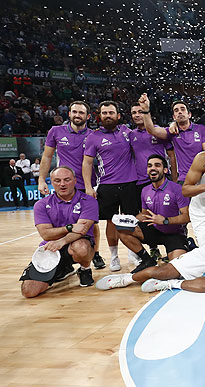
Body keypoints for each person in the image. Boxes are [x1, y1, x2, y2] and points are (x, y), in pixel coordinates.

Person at [39, 101, 105, 269]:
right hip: (64, 184)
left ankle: (95, 253)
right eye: (74, 112)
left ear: (88, 116)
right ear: (69, 114)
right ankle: (65, 255)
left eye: (81, 113)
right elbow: (47, 157)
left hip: (87, 185)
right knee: (64, 220)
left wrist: (92, 187)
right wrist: (41, 179)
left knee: (92, 223)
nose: (77, 115)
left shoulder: (93, 134)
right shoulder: (55, 131)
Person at [20, 167, 98, 297]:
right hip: (51, 249)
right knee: (29, 291)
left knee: (81, 247)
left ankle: (85, 269)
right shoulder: (41, 204)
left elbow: (81, 230)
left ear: (75, 181)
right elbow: (46, 234)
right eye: (57, 180)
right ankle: (63, 269)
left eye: (67, 180)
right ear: (51, 182)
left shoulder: (89, 201)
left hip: (75, 244)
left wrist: (62, 241)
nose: (62, 184)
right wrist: (69, 227)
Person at [82, 101, 139, 272]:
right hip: (107, 185)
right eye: (105, 113)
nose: (108, 116)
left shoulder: (127, 132)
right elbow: (87, 163)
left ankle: (133, 253)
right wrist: (88, 187)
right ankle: (114, 257)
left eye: (111, 113)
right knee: (111, 222)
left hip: (130, 183)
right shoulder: (93, 137)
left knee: (131, 220)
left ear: (118, 116)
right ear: (99, 116)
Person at [114, 154, 191, 273]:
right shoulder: (145, 190)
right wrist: (129, 219)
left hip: (174, 233)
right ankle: (147, 260)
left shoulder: (177, 189)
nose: (152, 168)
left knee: (177, 269)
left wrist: (165, 220)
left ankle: (189, 246)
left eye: (157, 165)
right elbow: (145, 215)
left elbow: (187, 217)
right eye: (149, 166)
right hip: (154, 230)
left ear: (165, 170)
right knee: (123, 231)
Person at [139, 94, 205, 183]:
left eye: (182, 109)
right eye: (176, 110)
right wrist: (145, 110)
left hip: (202, 178)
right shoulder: (171, 132)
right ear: (174, 117)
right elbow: (151, 130)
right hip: (184, 180)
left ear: (189, 114)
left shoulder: (201, 129)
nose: (180, 112)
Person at [129, 102, 177, 199]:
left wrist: (175, 179)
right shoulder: (130, 135)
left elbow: (172, 156)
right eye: (134, 113)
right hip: (140, 181)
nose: (137, 115)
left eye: (140, 112)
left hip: (160, 179)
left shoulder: (159, 132)